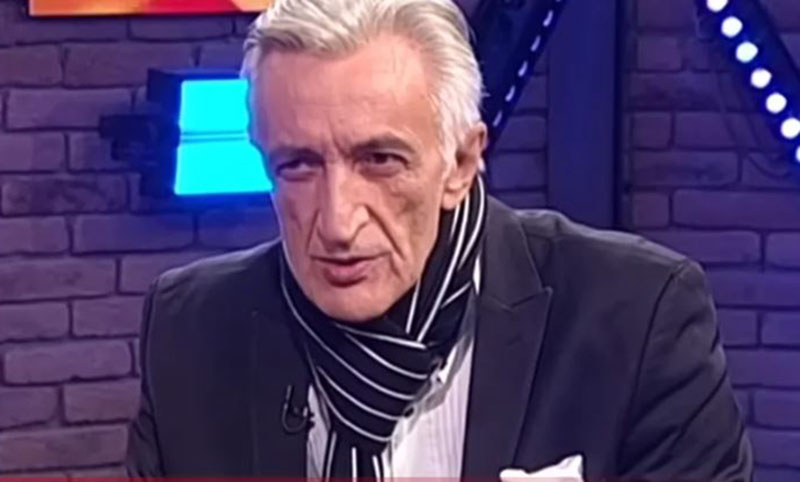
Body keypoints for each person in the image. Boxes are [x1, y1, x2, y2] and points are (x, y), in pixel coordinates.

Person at [125, 0, 753, 479]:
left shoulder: (637, 317)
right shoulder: (192, 329)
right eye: (299, 165)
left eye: (380, 160)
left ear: (461, 163)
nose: (338, 223)